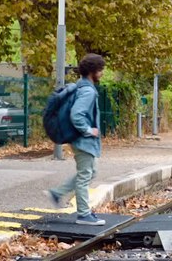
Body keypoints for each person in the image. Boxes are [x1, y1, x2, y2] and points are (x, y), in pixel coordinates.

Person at [46, 53, 106, 225]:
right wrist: (88, 130)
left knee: (90, 172)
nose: (101, 73)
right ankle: (84, 214)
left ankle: (57, 193)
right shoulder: (88, 91)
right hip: (83, 140)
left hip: (80, 139)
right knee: (85, 175)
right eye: (100, 70)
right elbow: (77, 114)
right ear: (92, 71)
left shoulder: (80, 86)